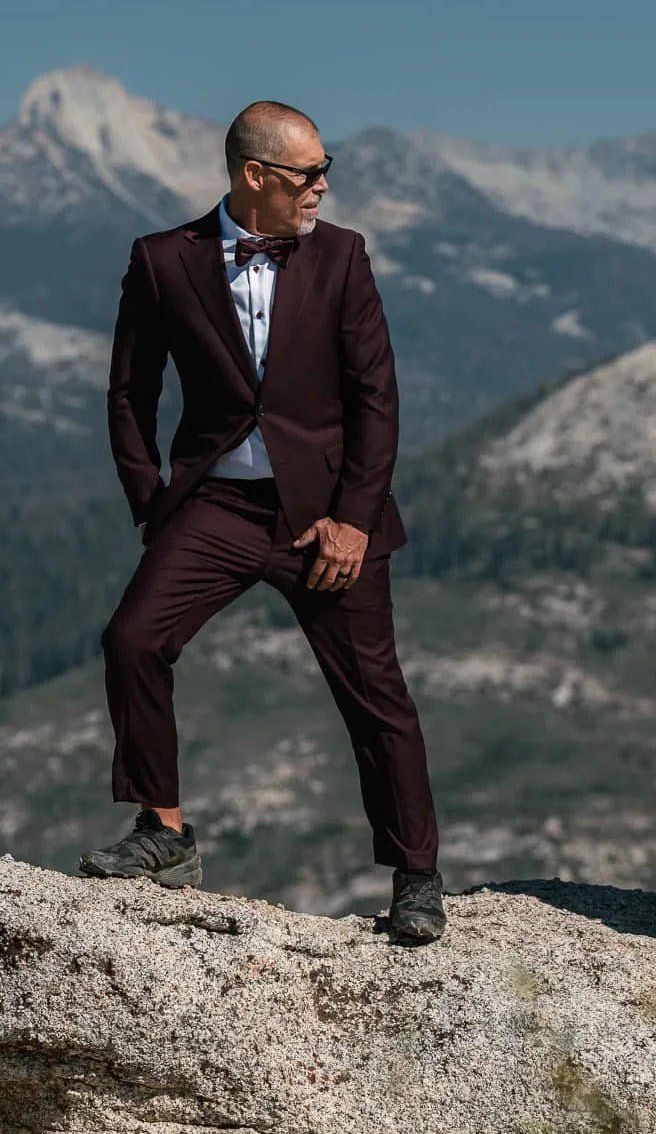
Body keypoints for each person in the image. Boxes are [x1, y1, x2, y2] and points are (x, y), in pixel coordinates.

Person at [83, 100, 446, 944]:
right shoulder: (161, 261)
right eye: (308, 174)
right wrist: (152, 504)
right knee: (133, 640)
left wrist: (353, 521)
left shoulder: (344, 257)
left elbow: (376, 400)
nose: (323, 187)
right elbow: (129, 392)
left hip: (326, 515)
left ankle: (417, 876)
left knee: (375, 697)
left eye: (325, 171)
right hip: (213, 505)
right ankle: (164, 831)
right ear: (255, 176)